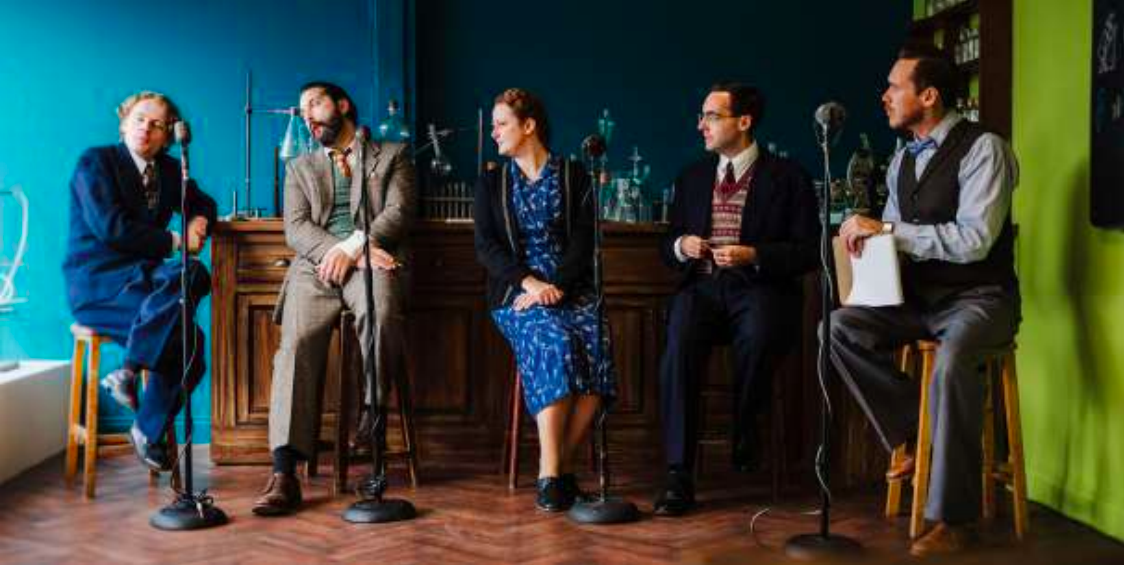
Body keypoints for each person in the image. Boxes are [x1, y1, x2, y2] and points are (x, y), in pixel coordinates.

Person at [831, 42, 1019, 557]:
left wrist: (888, 231)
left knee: (953, 360)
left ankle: (955, 521)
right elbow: (896, 240)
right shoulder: (901, 160)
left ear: (929, 96)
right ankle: (916, 434)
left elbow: (975, 239)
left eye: (895, 87)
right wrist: (866, 251)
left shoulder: (985, 149)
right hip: (919, 301)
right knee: (839, 327)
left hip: (980, 299)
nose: (885, 96)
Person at [653, 83, 820, 516]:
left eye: (711, 116)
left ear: (743, 121)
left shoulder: (789, 177)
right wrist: (682, 245)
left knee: (761, 330)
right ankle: (678, 473)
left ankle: (746, 428)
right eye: (702, 116)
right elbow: (667, 244)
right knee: (678, 340)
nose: (701, 125)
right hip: (702, 288)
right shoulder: (691, 177)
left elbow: (808, 251)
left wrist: (755, 255)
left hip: (760, 288)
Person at [252, 81, 416, 516]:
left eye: (315, 103)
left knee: (381, 312)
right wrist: (338, 252)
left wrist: (356, 248)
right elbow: (296, 228)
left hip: (373, 258)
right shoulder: (300, 167)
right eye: (302, 108)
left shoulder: (393, 154)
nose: (307, 114)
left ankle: (371, 418)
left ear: (342, 105)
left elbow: (399, 212)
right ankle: (284, 472)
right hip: (317, 265)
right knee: (296, 344)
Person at [474, 88, 615, 512]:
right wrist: (531, 285)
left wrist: (555, 285)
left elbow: (584, 241)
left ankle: (559, 469)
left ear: (529, 125)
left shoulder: (575, 175)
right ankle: (551, 474)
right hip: (516, 296)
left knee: (597, 341)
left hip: (571, 289)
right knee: (555, 340)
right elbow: (487, 248)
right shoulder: (491, 182)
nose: (494, 133)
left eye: (501, 124)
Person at [64, 91, 216, 472]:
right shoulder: (95, 162)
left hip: (146, 283)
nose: (146, 128)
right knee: (190, 343)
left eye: (157, 124)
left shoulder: (169, 170)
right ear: (123, 123)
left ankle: (130, 379)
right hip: (99, 285)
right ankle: (147, 419)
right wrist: (177, 240)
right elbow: (112, 228)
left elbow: (203, 203)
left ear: (167, 136)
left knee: (195, 274)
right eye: (139, 119)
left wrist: (199, 220)